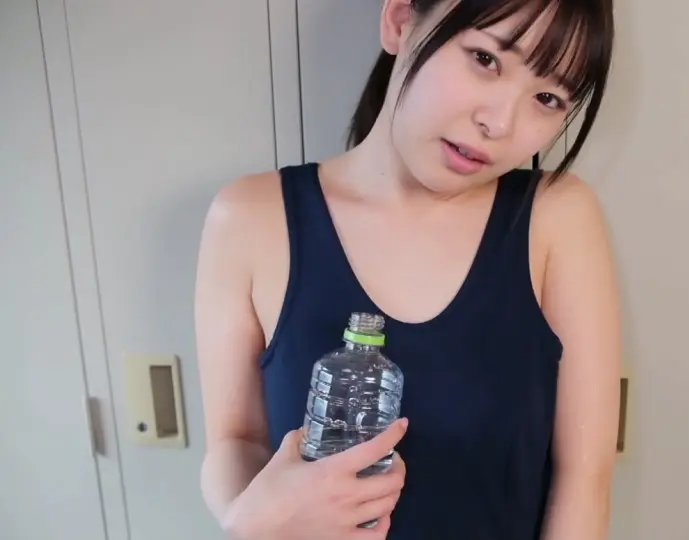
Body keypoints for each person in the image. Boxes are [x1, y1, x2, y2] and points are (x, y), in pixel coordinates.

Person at [193, 0, 620, 538]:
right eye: (485, 59)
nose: (499, 123)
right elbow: (234, 441)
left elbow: (585, 481)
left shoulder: (557, 217)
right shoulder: (250, 216)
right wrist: (253, 521)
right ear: (399, 20)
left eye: (547, 98)